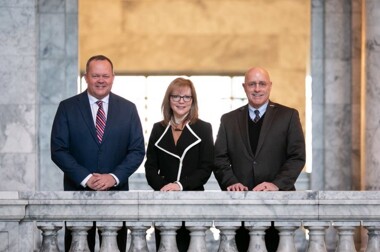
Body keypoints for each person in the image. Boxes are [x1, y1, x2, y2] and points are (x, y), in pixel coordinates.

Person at [51, 55, 145, 252]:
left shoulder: (128, 109)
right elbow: (58, 150)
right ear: (86, 77)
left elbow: (137, 151)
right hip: (78, 193)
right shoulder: (67, 107)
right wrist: (86, 178)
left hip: (116, 194)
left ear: (113, 77)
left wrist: (113, 177)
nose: (101, 80)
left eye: (105, 75)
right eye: (95, 76)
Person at [213, 67, 306, 252]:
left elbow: (297, 157)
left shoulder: (288, 116)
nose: (257, 89)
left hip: (277, 205)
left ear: (270, 86)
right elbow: (219, 158)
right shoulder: (229, 120)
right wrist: (231, 181)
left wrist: (276, 184)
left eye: (262, 84)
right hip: (239, 205)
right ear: (244, 87)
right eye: (252, 84)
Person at [145, 77, 214, 251]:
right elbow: (150, 166)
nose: (181, 101)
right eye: (176, 96)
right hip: (164, 201)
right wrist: (164, 187)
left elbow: (206, 168)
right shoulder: (158, 128)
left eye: (186, 97)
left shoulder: (204, 128)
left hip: (193, 200)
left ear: (193, 101)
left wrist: (179, 185)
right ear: (169, 100)